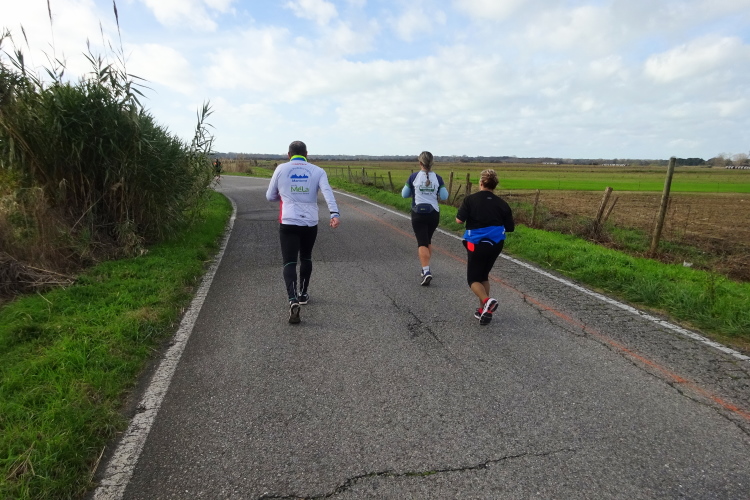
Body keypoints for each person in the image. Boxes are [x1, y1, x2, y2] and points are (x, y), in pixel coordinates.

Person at [266, 141, 340, 324]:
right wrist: (334, 213)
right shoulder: (318, 171)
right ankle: (303, 294)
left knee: (289, 261)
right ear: (306, 154)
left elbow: (270, 196)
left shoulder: (281, 169)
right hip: (310, 222)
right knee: (306, 257)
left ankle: (292, 300)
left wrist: (283, 196)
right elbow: (327, 192)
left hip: (288, 220)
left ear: (288, 154)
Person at [455, 169, 514, 325]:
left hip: (476, 244)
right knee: (483, 276)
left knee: (473, 279)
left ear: (481, 183)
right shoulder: (502, 204)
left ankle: (487, 301)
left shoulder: (470, 200)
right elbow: (510, 227)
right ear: (495, 185)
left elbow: (459, 221)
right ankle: (483, 310)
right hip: (496, 244)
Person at [401, 151, 449, 285]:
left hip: (418, 213)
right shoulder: (438, 178)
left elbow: (404, 194)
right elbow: (444, 196)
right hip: (433, 213)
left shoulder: (413, 177)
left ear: (420, 163)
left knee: (422, 242)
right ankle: (425, 268)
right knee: (427, 240)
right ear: (432, 163)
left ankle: (426, 271)